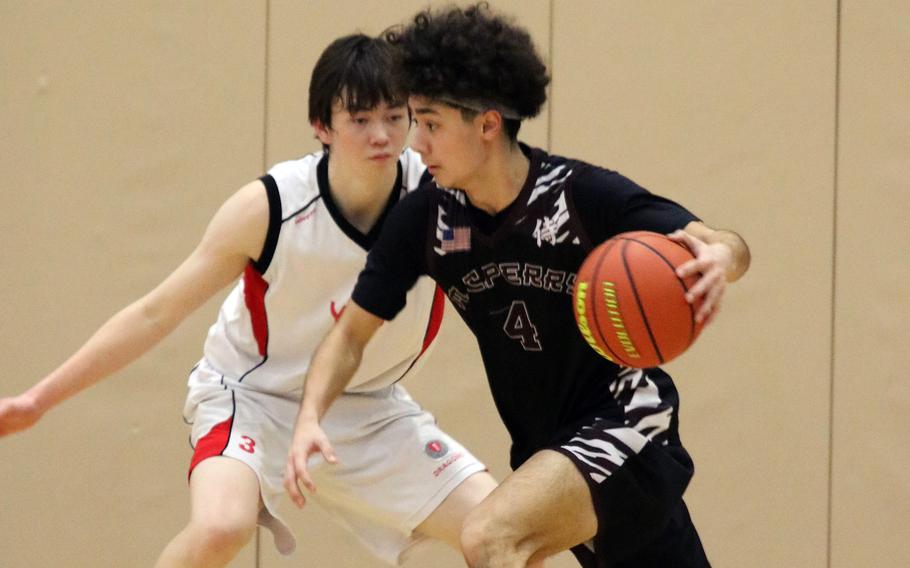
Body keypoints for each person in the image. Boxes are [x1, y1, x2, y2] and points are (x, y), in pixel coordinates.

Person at [0, 34, 496, 567]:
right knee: (220, 527)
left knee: (501, 532)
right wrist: (39, 401)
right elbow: (154, 312)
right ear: (321, 126)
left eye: (394, 117)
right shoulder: (271, 207)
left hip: (369, 408)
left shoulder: (445, 202)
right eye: (359, 119)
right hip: (254, 397)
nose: (381, 135)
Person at [285, 5, 751, 568]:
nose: (418, 143)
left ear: (486, 124)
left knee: (491, 536)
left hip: (628, 422)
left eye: (430, 124)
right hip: (547, 447)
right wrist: (310, 415)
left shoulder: (580, 195)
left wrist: (721, 255)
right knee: (512, 547)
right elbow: (351, 335)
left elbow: (718, 240)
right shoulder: (426, 221)